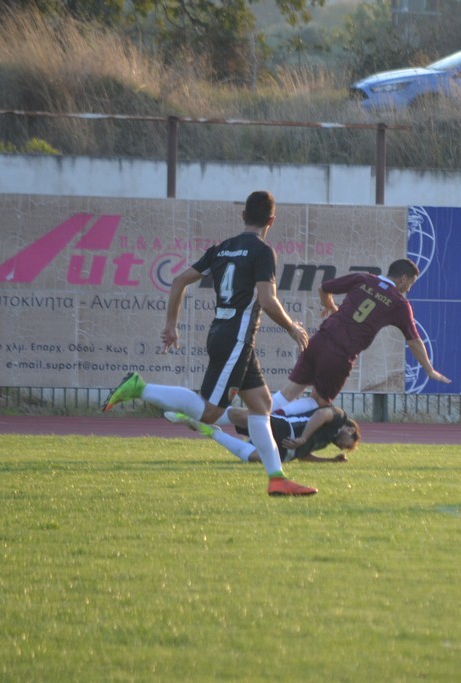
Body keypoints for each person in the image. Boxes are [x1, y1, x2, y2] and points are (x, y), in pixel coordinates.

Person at [102, 190, 317, 496]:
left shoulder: (222, 248)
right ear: (272, 220)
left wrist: (171, 325)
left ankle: (277, 479)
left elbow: (179, 280)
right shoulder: (262, 251)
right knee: (209, 413)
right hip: (236, 339)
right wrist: (292, 328)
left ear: (243, 216)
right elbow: (268, 301)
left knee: (261, 404)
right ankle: (140, 388)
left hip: (225, 335)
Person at [270, 258, 451, 416]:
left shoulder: (363, 278)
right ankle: (274, 420)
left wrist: (330, 306)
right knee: (320, 405)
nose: (408, 289)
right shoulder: (399, 303)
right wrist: (429, 370)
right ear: (403, 279)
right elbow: (414, 340)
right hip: (339, 354)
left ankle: (261, 418)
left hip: (319, 341)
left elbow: (323, 288)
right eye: (410, 284)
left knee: (289, 392)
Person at [164, 403, 361, 464]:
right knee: (240, 416)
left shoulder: (326, 441)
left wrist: (330, 460)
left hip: (284, 453)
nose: (341, 446)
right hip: (284, 428)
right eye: (346, 444)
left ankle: (209, 431)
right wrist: (302, 438)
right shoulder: (339, 417)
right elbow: (321, 414)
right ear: (351, 430)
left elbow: (304, 455)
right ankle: (193, 413)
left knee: (253, 458)